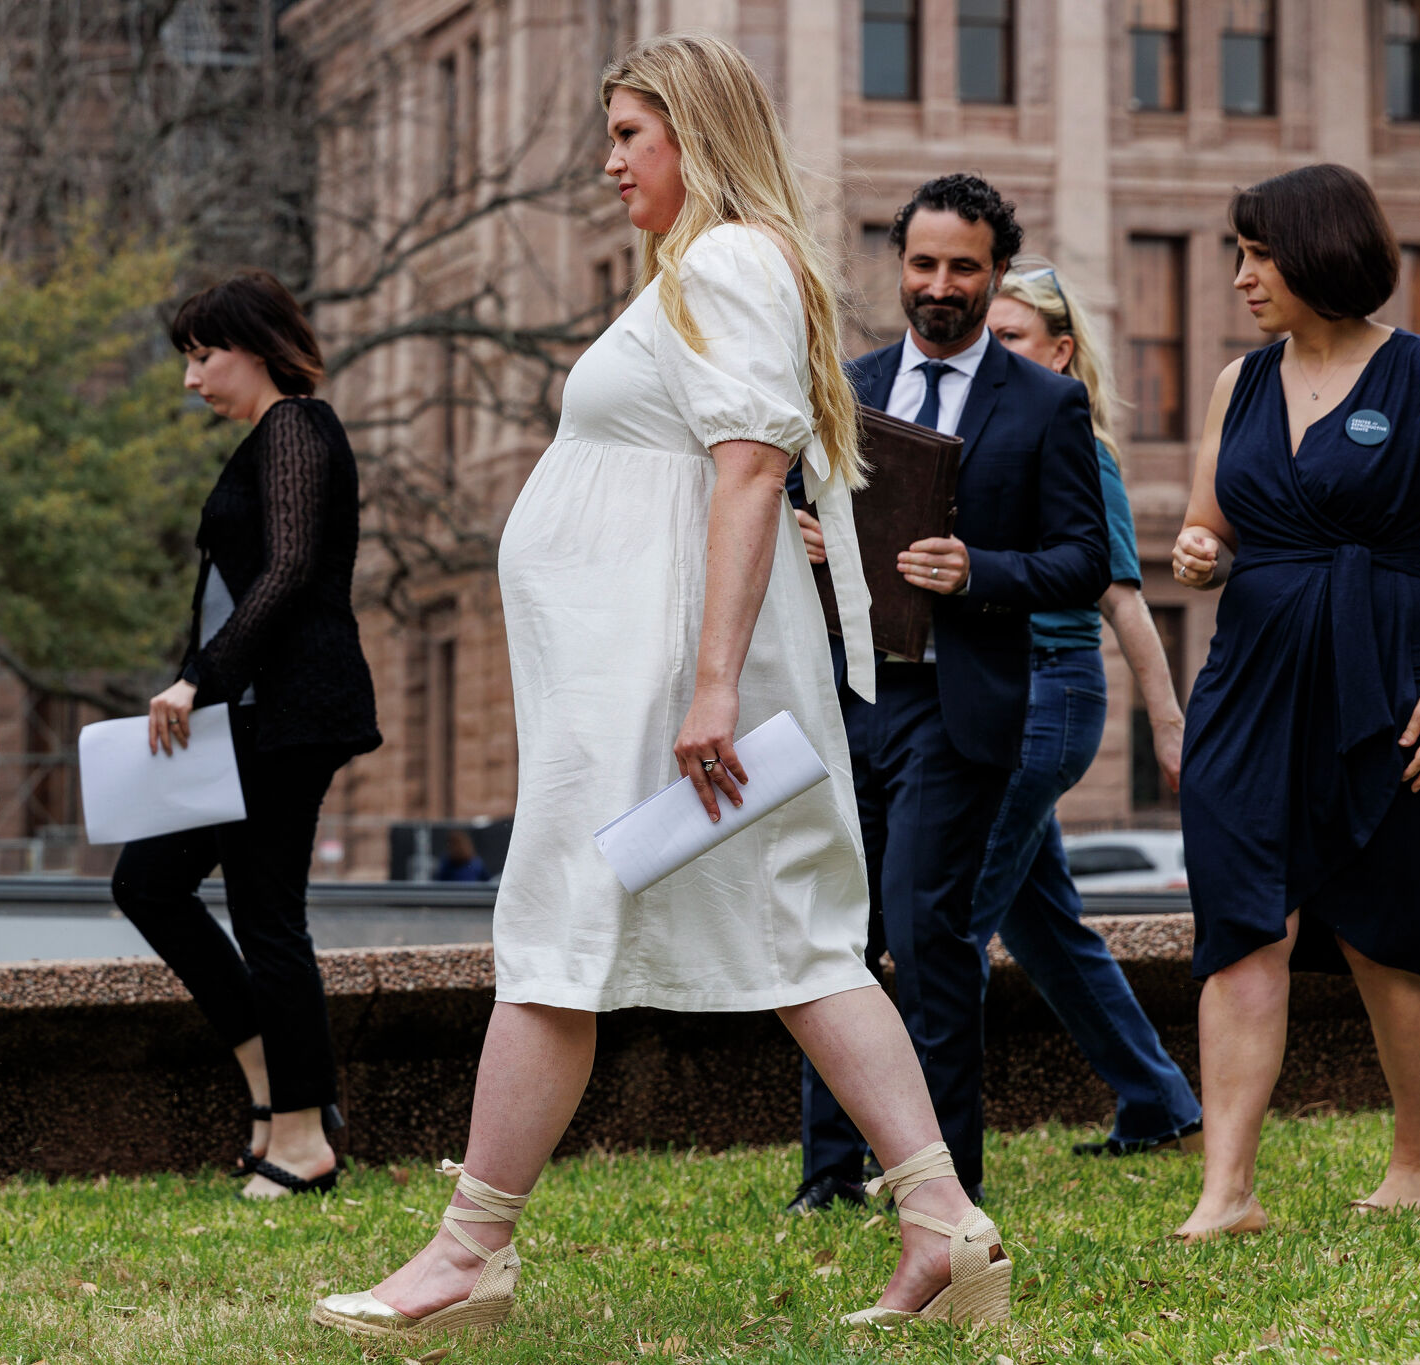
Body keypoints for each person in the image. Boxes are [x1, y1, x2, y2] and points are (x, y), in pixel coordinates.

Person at [312, 35, 1013, 1345]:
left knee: (561, 932)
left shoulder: (733, 261)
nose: (611, 160)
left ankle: (469, 1253)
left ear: (695, 133)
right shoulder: (700, 271)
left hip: (667, 676)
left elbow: (750, 471)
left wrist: (707, 690)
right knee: (795, 936)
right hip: (648, 668)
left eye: (631, 132)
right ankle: (944, 1220)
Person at [1169, 164, 1420, 1241]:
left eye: (1257, 255)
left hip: (1389, 672)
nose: (1239, 277)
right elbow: (1205, 530)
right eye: (1237, 255)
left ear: (1317, 251)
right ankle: (1226, 1191)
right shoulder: (1237, 384)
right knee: (1238, 919)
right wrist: (1195, 554)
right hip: (1249, 677)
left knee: (1388, 923)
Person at [789, 175, 1110, 1213]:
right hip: (845, 700)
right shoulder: (846, 385)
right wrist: (803, 546)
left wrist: (979, 571)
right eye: (922, 264)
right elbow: (800, 517)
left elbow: (1080, 561)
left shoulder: (1048, 403)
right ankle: (828, 1173)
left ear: (995, 272)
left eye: (962, 267)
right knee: (832, 935)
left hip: (956, 704)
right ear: (898, 267)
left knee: (926, 938)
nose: (939, 285)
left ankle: (945, 1184)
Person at [109, 271, 381, 1201]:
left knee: (269, 916)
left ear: (256, 345)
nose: (191, 380)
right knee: (146, 882)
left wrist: (198, 677)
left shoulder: (299, 426)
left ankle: (304, 1139)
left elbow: (293, 567)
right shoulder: (266, 441)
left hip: (286, 713)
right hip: (244, 716)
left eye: (202, 355)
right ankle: (280, 1094)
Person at [970, 259, 1203, 1159]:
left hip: (1049, 696)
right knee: (1047, 927)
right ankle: (1161, 1105)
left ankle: (904, 1147)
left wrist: (1169, 725)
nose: (994, 356)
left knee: (945, 928)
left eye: (1013, 339)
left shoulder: (1077, 447)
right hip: (999, 692)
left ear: (1060, 354)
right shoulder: (989, 438)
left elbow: (1123, 596)